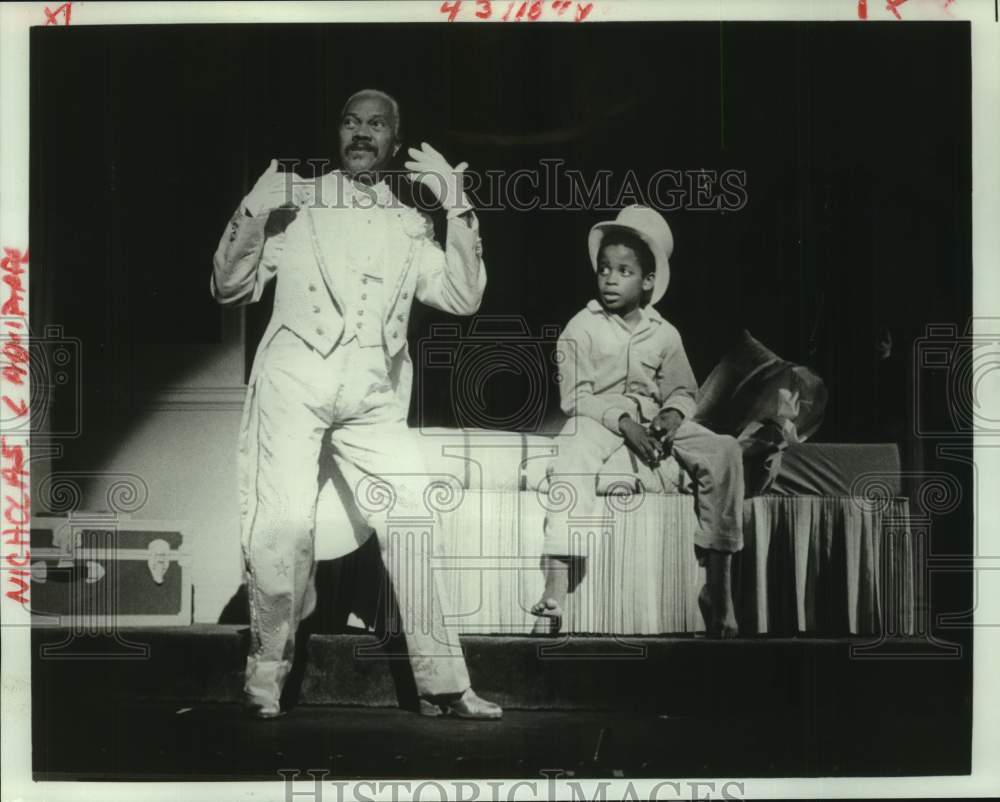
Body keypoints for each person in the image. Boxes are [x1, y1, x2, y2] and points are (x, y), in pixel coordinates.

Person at [211, 88, 501, 719]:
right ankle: (264, 679)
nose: (361, 133)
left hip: (373, 392)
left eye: (376, 125)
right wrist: (253, 209)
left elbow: (463, 295)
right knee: (283, 522)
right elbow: (229, 287)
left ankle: (444, 685)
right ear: (337, 132)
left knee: (414, 519)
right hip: (296, 375)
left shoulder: (409, 222)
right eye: (350, 121)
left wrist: (456, 205)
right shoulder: (299, 204)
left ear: (394, 143)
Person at [532, 206, 744, 638]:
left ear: (647, 281)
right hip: (598, 416)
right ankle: (556, 585)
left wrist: (670, 416)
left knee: (725, 450)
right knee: (572, 450)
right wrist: (625, 423)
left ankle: (718, 588)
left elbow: (683, 390)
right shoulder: (581, 327)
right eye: (604, 269)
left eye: (624, 271)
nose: (610, 278)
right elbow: (576, 398)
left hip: (653, 418)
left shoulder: (665, 333)